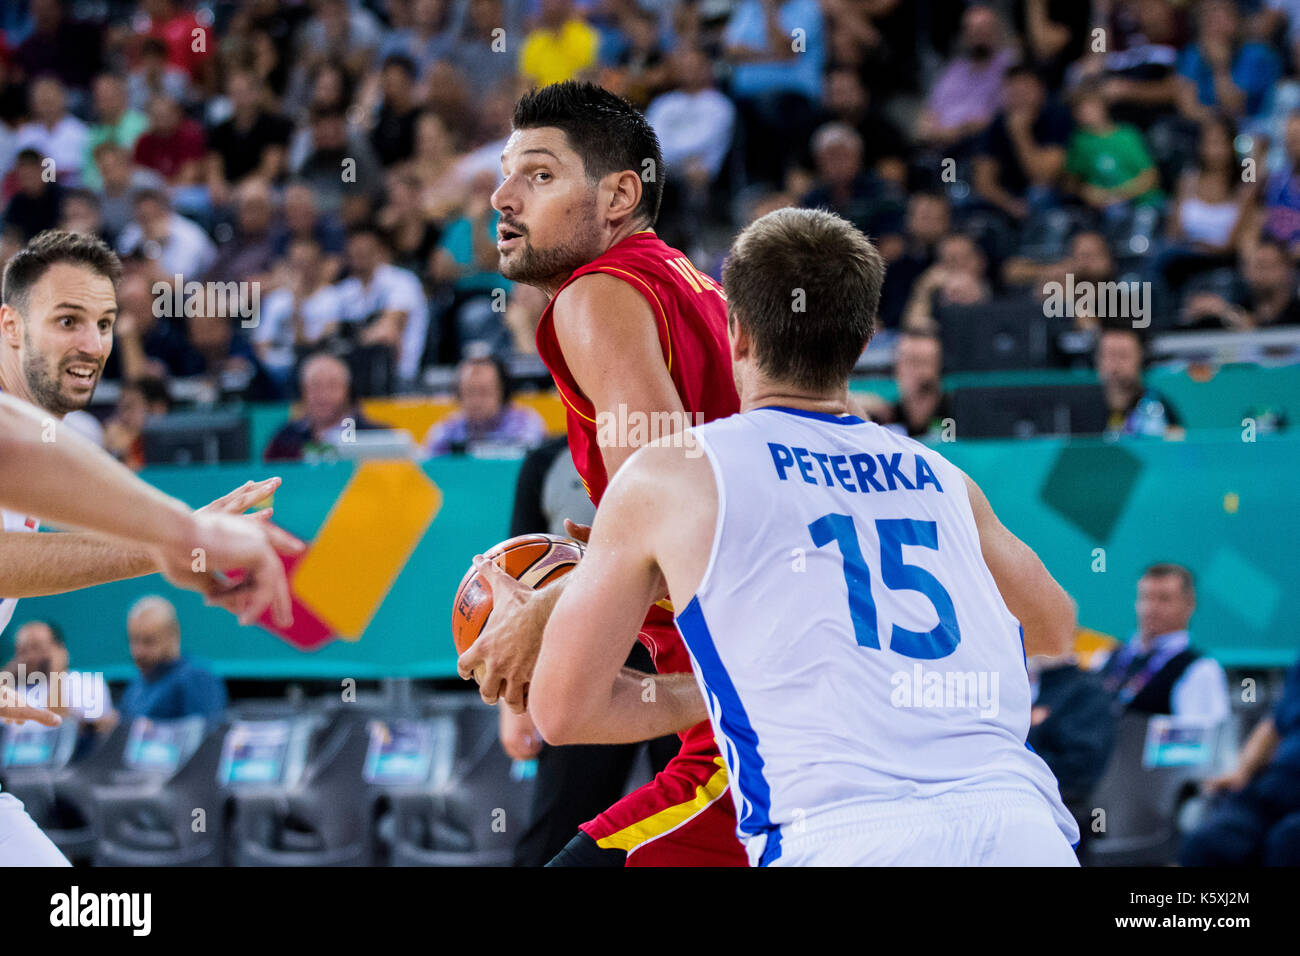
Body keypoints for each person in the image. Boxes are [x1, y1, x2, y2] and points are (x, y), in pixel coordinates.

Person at [527, 207, 1081, 866]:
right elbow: (1054, 628)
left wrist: (746, 682)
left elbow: (563, 713)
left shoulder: (676, 471)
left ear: (735, 331)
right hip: (1019, 829)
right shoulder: (942, 477)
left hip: (845, 836)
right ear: (867, 337)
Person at [459, 81, 747, 867]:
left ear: (621, 194)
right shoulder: (700, 290)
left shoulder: (597, 295)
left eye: (540, 175)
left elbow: (678, 518)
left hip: (746, 732)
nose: (503, 194)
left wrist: (545, 610)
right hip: (744, 697)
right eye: (505, 172)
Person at [501, 435, 677, 866]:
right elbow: (516, 578)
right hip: (590, 653)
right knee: (559, 824)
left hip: (677, 653)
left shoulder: (685, 437)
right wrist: (514, 700)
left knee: (687, 821)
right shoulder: (546, 459)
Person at [1179, 651, 1300, 866]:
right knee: (1207, 842)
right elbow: (1274, 724)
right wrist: (1241, 772)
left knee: (1287, 842)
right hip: (1276, 785)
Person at [1097, 563, 1230, 724]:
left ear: (1190, 605)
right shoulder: (1108, 656)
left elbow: (1198, 740)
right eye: (1145, 597)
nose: (1151, 608)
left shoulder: (1200, 669)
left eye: (1164, 599)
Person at [119, 595, 226, 724]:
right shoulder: (137, 684)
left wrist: (151, 732)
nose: (138, 651)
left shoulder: (196, 678)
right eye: (133, 640)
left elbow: (206, 735)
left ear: (172, 635)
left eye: (149, 641)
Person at [263, 352, 383, 462]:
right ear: (303, 391)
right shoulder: (285, 439)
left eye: (332, 386)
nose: (323, 395)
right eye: (315, 386)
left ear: (347, 390)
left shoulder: (376, 436)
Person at [423, 353, 545, 456]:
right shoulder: (447, 430)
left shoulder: (526, 423)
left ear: (502, 393)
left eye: (484, 392)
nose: (476, 401)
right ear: (458, 394)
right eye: (470, 392)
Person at [1095, 326, 1184, 439]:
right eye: (1110, 355)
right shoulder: (1082, 409)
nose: (1116, 365)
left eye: (1123, 356)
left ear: (1140, 359)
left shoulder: (1158, 404)